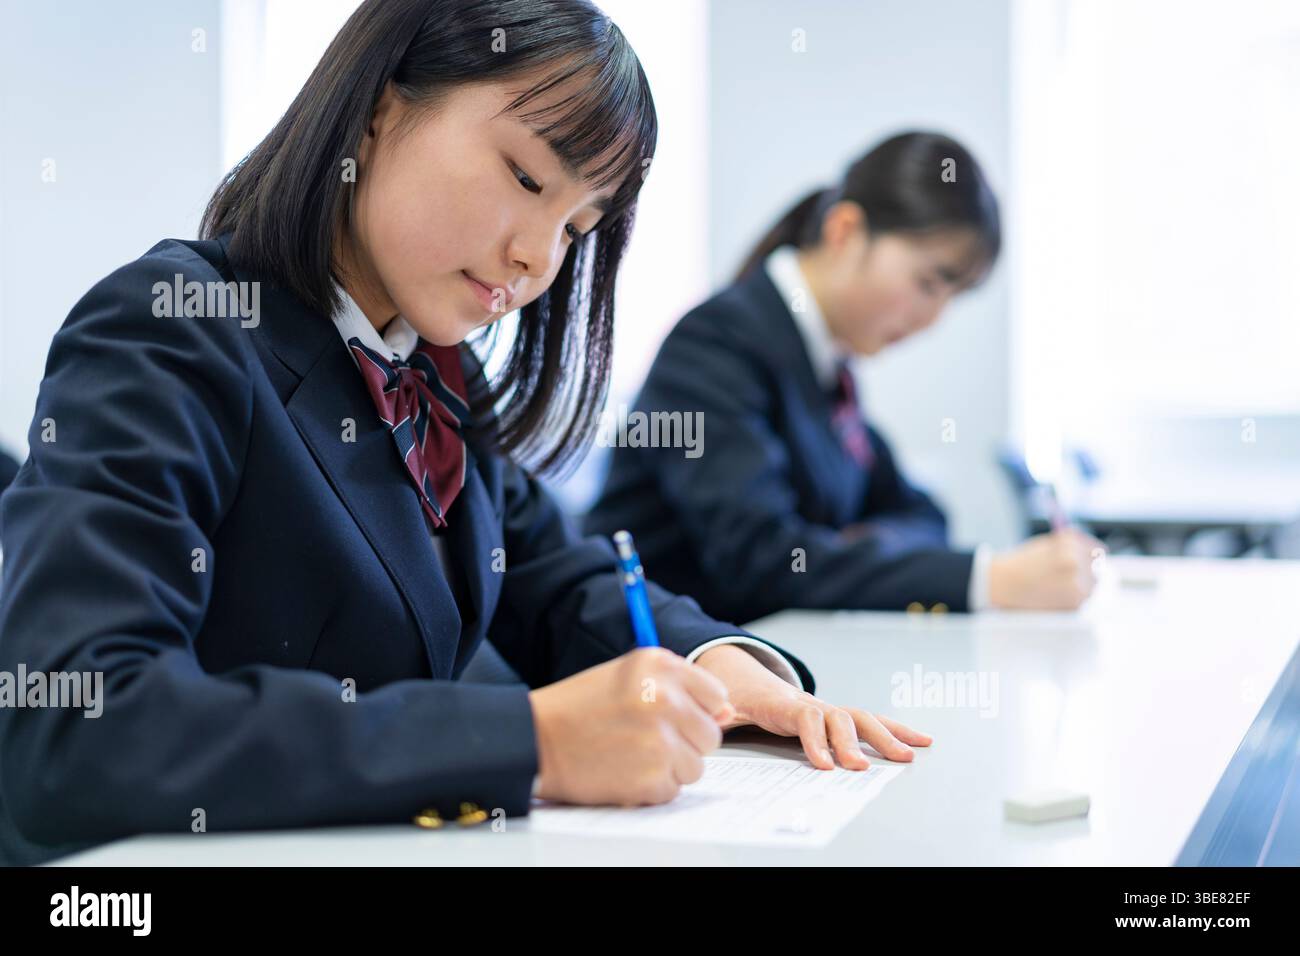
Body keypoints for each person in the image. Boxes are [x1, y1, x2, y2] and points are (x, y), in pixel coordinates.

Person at [0, 0, 928, 866]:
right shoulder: (177, 325)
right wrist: (529, 743)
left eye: (576, 225)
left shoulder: (435, 363)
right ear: (376, 110)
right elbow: (77, 725)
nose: (536, 258)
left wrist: (720, 666)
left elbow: (559, 577)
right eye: (525, 177)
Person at [585, 132, 1101, 624]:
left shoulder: (825, 361)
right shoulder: (715, 345)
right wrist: (991, 580)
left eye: (951, 298)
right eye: (927, 283)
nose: (933, 319)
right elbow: (764, 562)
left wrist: (843, 550)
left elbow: (921, 515)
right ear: (845, 233)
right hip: (662, 677)